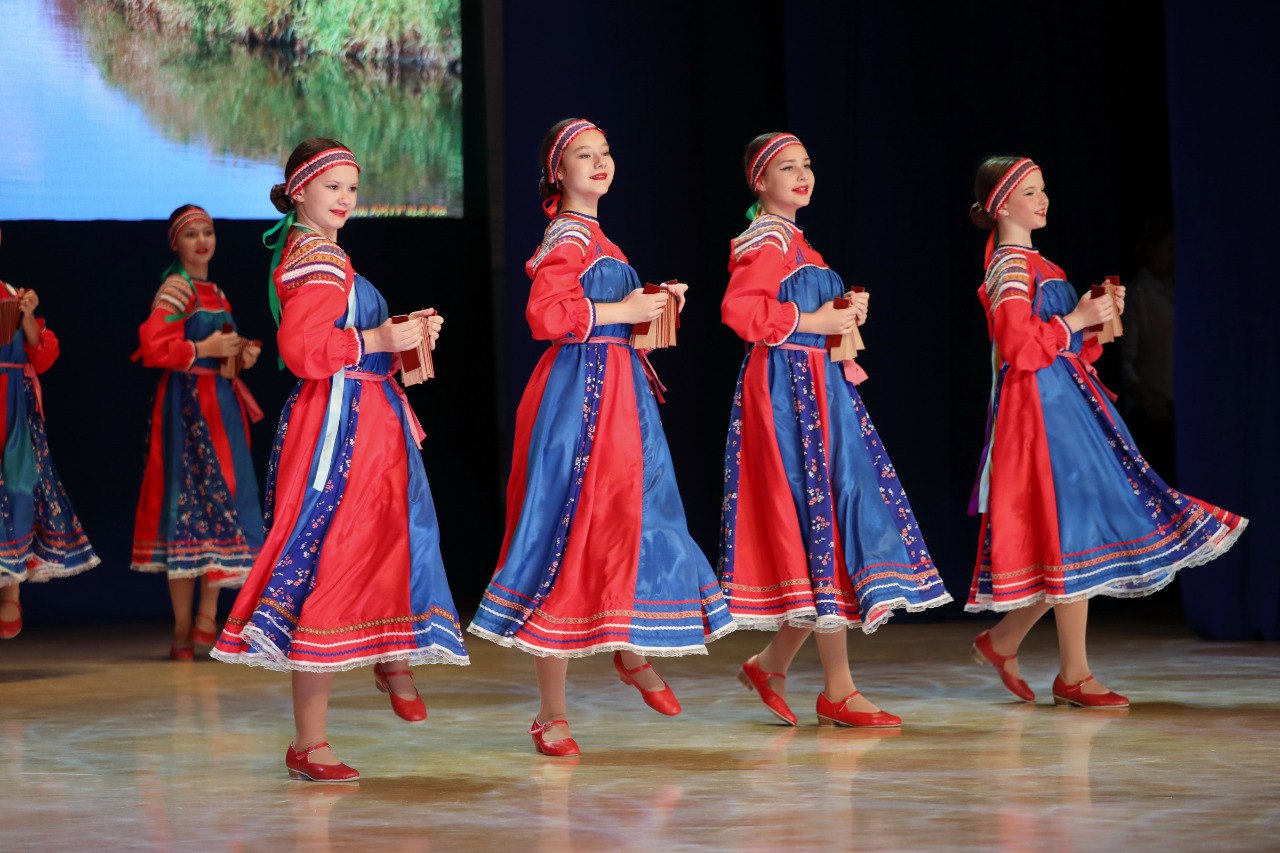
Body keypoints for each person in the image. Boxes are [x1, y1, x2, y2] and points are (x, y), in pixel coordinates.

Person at [467, 118, 734, 757]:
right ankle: (552, 712)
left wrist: (654, 303)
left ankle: (629, 648)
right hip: (580, 400)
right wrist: (624, 311)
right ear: (557, 172)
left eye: (605, 152)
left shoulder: (598, 237)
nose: (599, 162)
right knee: (566, 531)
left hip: (618, 393)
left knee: (630, 517)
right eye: (584, 155)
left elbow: (607, 314)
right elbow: (546, 315)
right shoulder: (566, 233)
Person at [212, 139, 468, 782]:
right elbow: (302, 351)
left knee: (392, 535)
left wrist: (405, 338)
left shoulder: (330, 257)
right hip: (336, 423)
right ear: (300, 192)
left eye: (353, 189)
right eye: (334, 188)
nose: (347, 200)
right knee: (324, 552)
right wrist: (378, 338)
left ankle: (392, 654)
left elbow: (346, 342)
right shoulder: (315, 258)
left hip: (370, 417)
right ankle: (311, 740)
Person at [966, 156, 1247, 708]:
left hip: (1064, 405)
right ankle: (1068, 670)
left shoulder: (1037, 265)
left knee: (1079, 531)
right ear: (1001, 205)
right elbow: (1020, 348)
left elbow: (1062, 348)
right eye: (1030, 191)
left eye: (1044, 188)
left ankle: (1012, 643)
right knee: (1075, 531)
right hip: (1040, 414)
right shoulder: (1009, 267)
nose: (1043, 199)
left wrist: (1091, 321)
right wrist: (1073, 322)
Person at [718, 132, 951, 729]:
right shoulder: (768, 238)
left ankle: (773, 665)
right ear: (759, 182)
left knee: (827, 525)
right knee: (819, 523)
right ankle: (838, 689)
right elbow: (741, 312)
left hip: (819, 389)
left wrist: (842, 320)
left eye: (807, 165)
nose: (802, 175)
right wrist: (812, 319)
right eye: (786, 168)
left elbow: (804, 316)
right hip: (789, 392)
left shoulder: (800, 244)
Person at [131, 205, 266, 660]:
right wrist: (201, 348)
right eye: (192, 234)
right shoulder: (176, 289)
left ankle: (208, 615)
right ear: (177, 244)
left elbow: (222, 344)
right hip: (188, 409)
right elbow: (152, 345)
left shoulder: (217, 292)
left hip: (221, 405)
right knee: (185, 507)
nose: (203, 240)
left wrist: (238, 355)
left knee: (226, 500)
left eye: (208, 232)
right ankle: (183, 629)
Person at [0, 222, 101, 639]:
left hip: (13, 406)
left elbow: (41, 356)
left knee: (18, 487)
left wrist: (26, 317)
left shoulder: (12, 293)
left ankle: (10, 590)